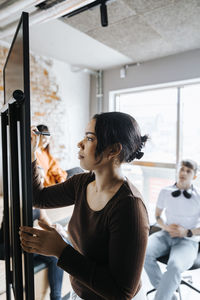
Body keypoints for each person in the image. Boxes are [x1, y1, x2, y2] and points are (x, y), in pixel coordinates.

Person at [20, 112, 149, 300]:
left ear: (113, 150)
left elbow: (122, 293)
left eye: (89, 138)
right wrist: (32, 153)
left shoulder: (129, 207)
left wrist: (60, 250)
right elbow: (39, 198)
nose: (79, 144)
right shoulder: (82, 182)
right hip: (81, 293)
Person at [144, 159, 200, 300]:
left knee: (174, 266)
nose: (184, 172)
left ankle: (162, 297)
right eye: (182, 169)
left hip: (188, 240)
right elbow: (157, 216)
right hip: (166, 234)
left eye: (188, 171)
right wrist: (165, 227)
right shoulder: (165, 191)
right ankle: (169, 295)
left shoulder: (198, 197)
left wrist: (186, 232)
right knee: (142, 251)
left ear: (194, 176)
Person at [0, 208, 64, 300]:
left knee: (54, 255)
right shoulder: (19, 206)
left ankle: (56, 297)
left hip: (22, 246)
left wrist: (55, 229)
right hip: (11, 247)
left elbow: (48, 224)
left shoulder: (35, 206)